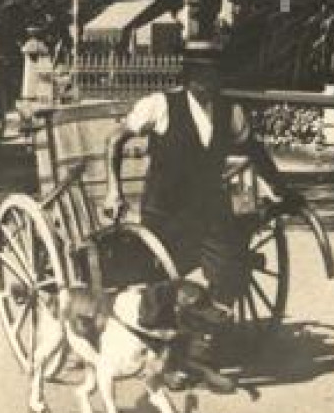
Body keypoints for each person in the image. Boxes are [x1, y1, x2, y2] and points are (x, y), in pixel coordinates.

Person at [103, 41, 266, 310]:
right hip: (165, 214)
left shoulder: (230, 111)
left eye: (214, 74)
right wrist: (113, 190)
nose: (209, 82)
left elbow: (254, 151)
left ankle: (210, 327)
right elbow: (114, 140)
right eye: (202, 74)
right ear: (189, 75)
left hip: (210, 213)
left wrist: (282, 190)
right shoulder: (159, 105)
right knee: (162, 284)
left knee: (232, 269)